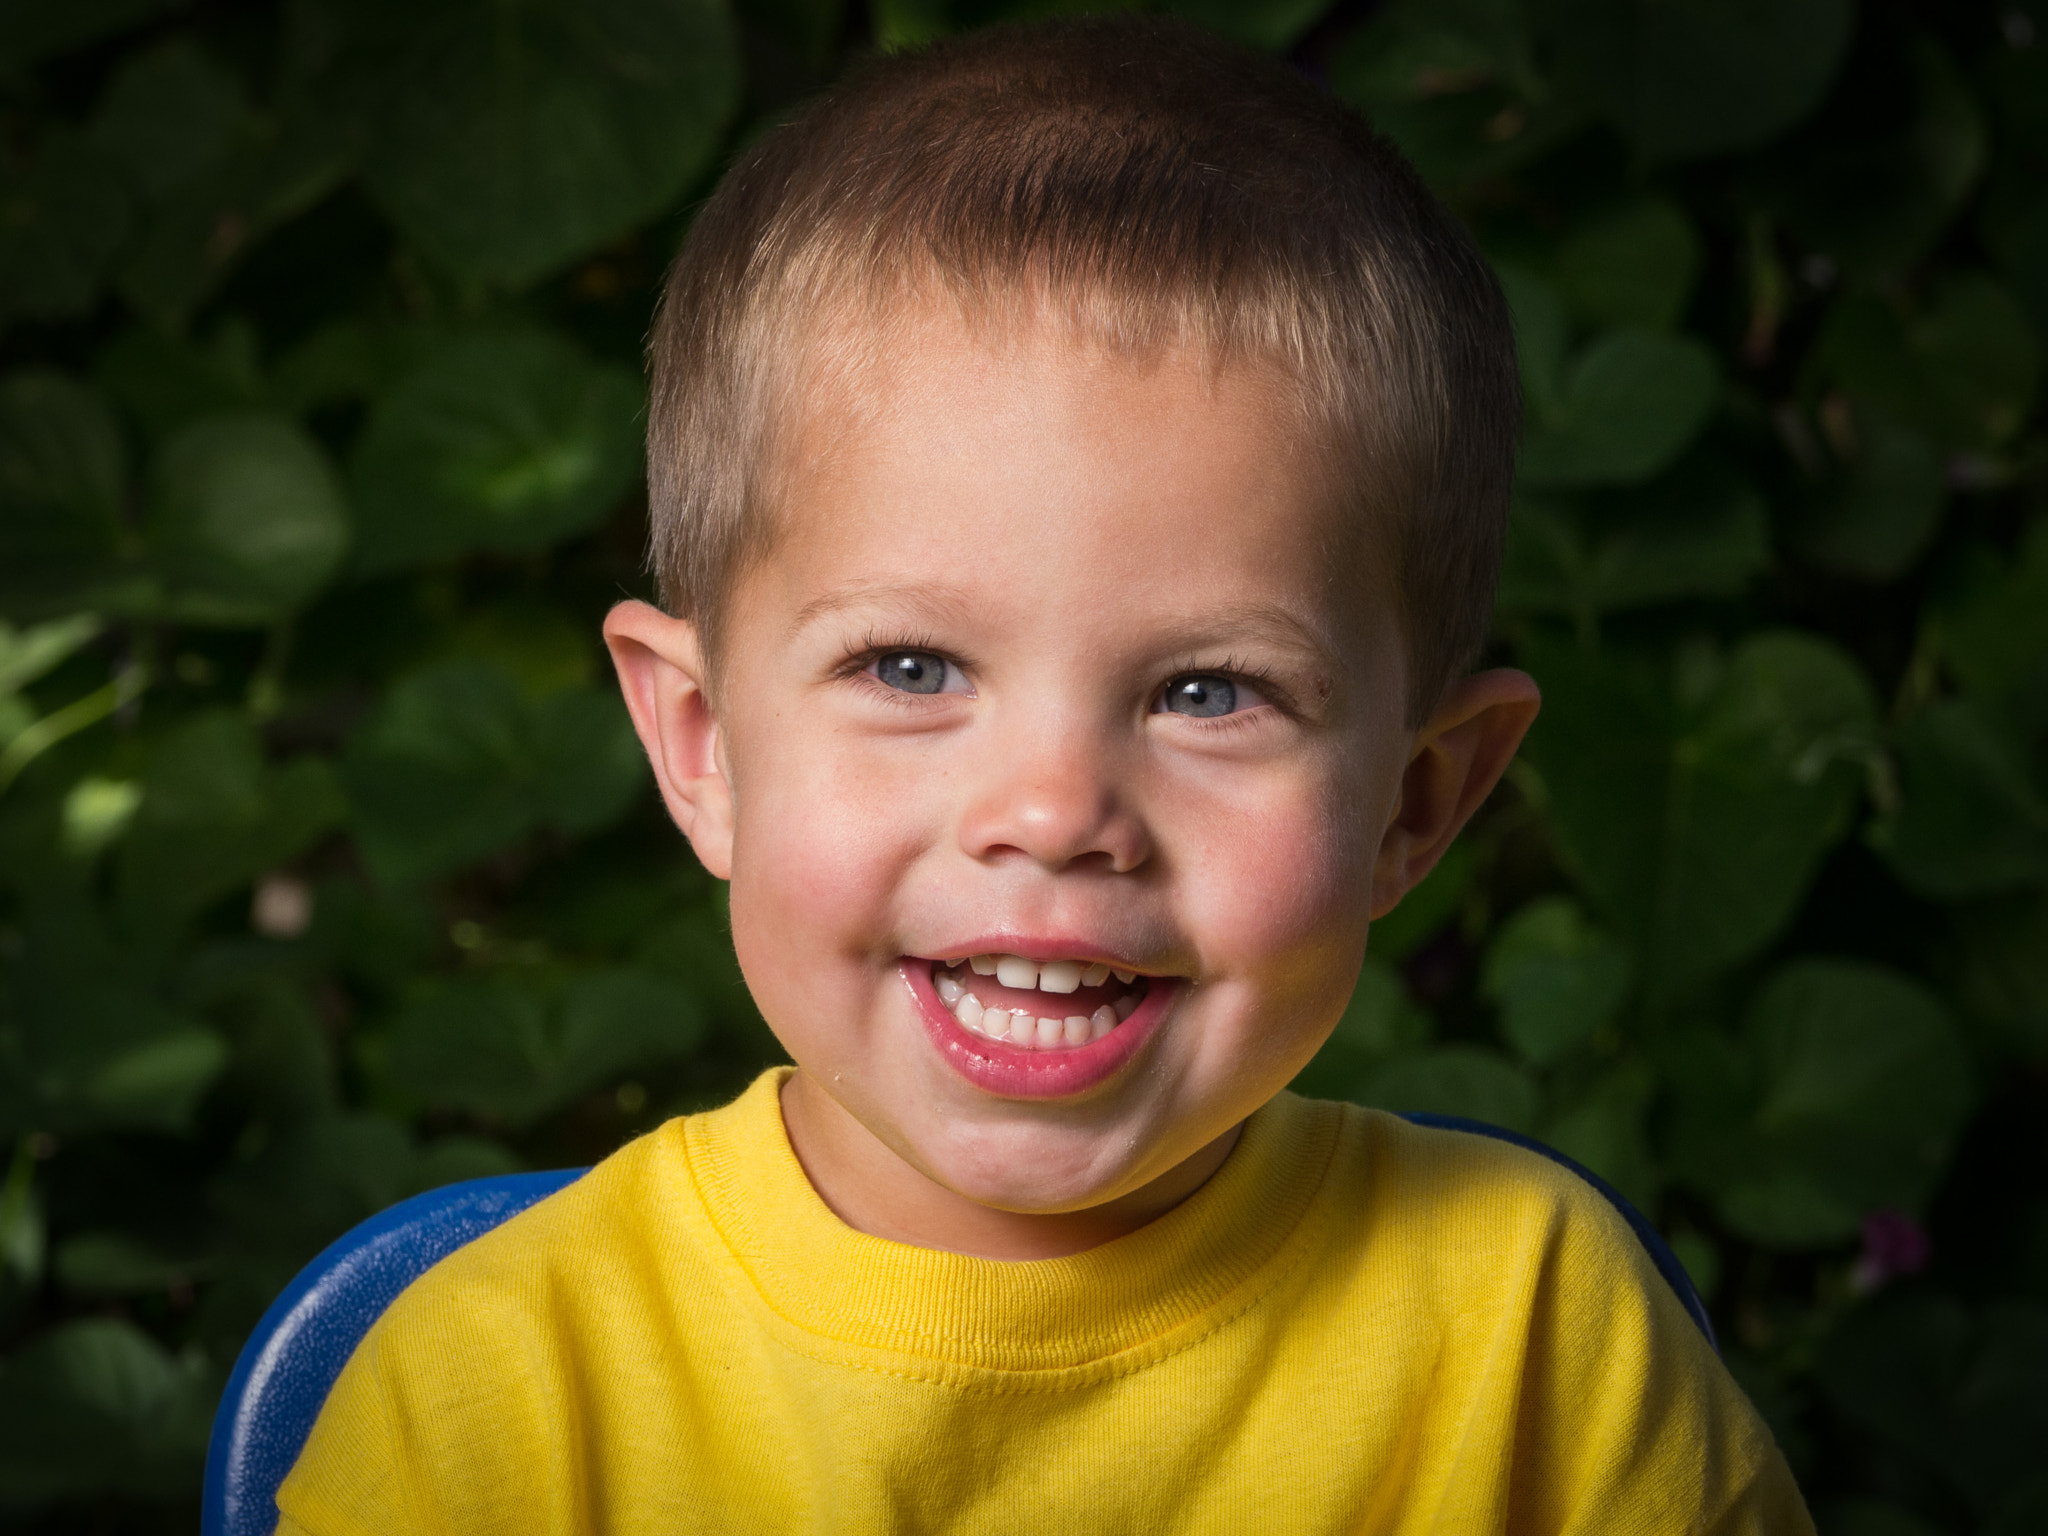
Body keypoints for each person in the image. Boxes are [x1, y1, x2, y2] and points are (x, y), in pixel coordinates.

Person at [276, 17, 1814, 1534]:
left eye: (1211, 692)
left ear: (1418, 803)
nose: (1054, 814)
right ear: (704, 745)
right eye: (911, 669)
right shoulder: (491, 1400)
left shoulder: (1542, 1343)